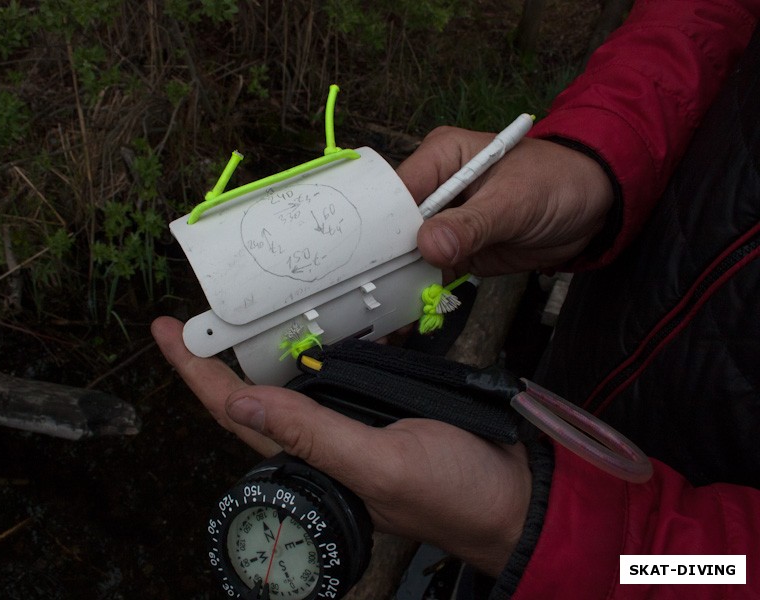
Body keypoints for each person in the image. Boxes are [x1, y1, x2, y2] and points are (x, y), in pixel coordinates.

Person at [152, 0, 760, 597]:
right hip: (585, 369)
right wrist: (599, 155)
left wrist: (547, 538)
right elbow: (699, 17)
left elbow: (724, 573)